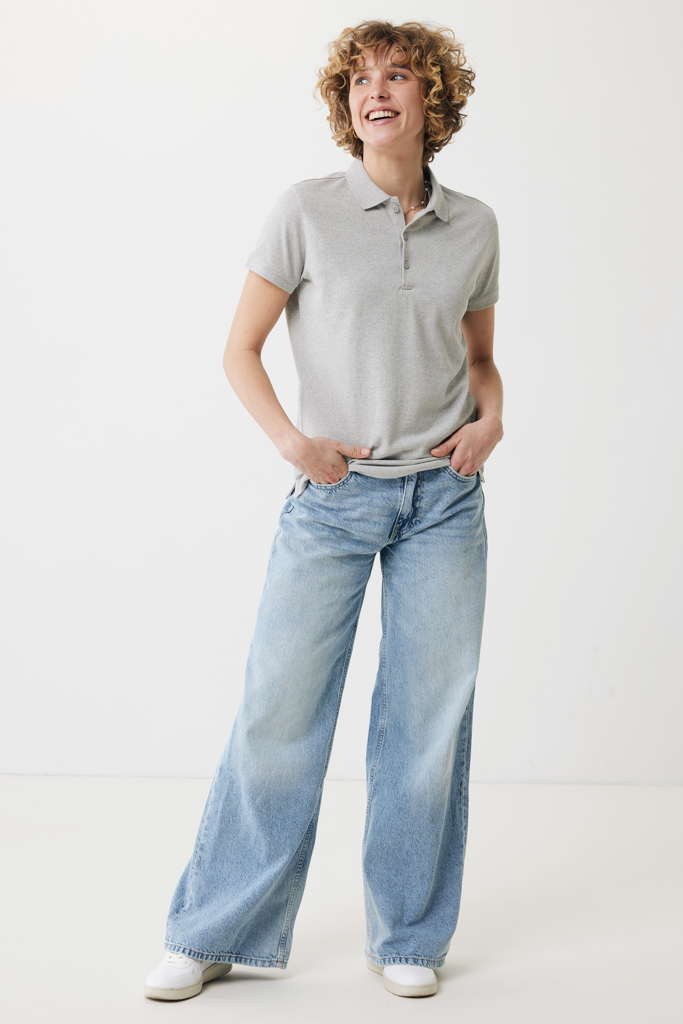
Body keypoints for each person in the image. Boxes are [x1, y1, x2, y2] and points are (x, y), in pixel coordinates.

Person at [144, 18, 503, 1002]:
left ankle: (409, 934)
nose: (374, 91)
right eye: (358, 80)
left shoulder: (474, 226)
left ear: (432, 98)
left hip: (443, 500)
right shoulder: (305, 210)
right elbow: (239, 349)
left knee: (425, 724)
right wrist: (293, 444)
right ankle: (213, 930)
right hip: (333, 500)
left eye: (397, 75)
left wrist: (491, 419)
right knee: (278, 713)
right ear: (345, 106)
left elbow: (478, 358)